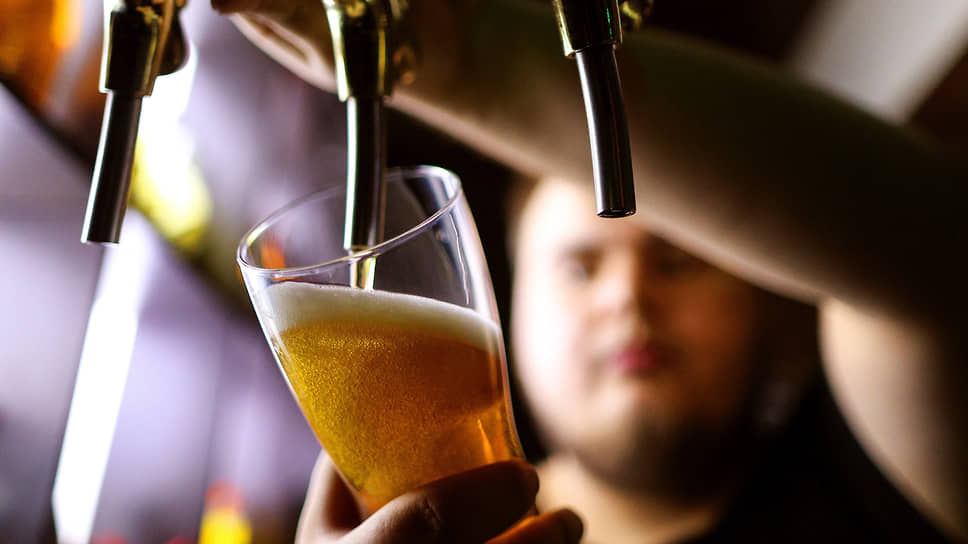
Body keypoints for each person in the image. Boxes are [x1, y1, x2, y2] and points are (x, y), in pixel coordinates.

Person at [212, 1, 968, 542]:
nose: (627, 297)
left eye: (677, 262)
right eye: (579, 269)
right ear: (506, 304)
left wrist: (455, 53)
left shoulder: (875, 475)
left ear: (764, 290)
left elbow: (934, 248)